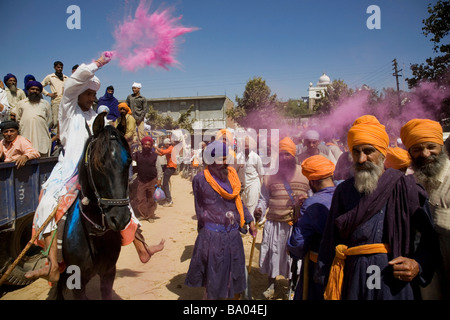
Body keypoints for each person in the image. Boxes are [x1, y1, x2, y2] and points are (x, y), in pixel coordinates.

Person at [24, 54, 163, 283]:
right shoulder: (68, 111)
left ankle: (141, 247)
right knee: (49, 202)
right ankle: (51, 262)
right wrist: (96, 64)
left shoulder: (97, 117)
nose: (91, 98)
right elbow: (69, 87)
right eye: (87, 94)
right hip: (69, 171)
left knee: (120, 201)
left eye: (93, 94)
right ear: (78, 94)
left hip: (95, 172)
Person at [316, 115, 441, 300]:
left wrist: (417, 265)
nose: (361, 159)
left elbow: (429, 240)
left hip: (394, 280)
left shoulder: (406, 187)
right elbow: (330, 239)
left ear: (382, 153)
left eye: (368, 151)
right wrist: (325, 278)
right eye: (356, 152)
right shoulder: (343, 191)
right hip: (354, 276)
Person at [185, 140, 257, 299]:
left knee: (234, 281)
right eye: (221, 159)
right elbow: (200, 209)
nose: (226, 163)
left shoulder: (232, 176)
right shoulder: (200, 180)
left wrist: (249, 219)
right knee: (214, 282)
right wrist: (205, 235)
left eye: (226, 158)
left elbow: (238, 201)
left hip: (232, 237)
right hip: (212, 238)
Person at [400, 118, 450, 300]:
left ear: (442, 147)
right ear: (410, 153)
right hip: (427, 279)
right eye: (417, 149)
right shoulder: (410, 184)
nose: (425, 153)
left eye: (431, 147)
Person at [254, 137, 309, 299]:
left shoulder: (305, 174)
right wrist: (259, 209)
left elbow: (311, 199)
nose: (285, 157)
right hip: (273, 223)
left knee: (294, 260)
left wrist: (304, 204)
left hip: (294, 225)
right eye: (282, 154)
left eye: (288, 154)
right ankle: (271, 285)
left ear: (294, 155)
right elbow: (264, 199)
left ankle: (292, 287)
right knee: (272, 254)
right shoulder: (269, 175)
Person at [287, 155, 336, 300]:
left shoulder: (312, 204)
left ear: (312, 182)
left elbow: (298, 244)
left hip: (319, 269)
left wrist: (298, 215)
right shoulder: (345, 193)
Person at [15, 81, 52, 157]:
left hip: (41, 136)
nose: (35, 91)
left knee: (42, 159)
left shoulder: (45, 103)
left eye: (37, 89)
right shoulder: (21, 103)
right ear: (28, 90)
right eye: (32, 89)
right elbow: (18, 119)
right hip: (26, 134)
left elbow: (49, 120)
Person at [133, 136, 161, 222]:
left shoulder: (155, 155)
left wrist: (159, 179)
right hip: (141, 180)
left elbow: (159, 168)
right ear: (142, 145)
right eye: (145, 144)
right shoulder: (137, 154)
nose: (147, 146)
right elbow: (133, 166)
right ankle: (142, 215)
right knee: (140, 198)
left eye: (149, 144)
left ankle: (150, 216)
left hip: (152, 180)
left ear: (151, 145)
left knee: (151, 199)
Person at [238, 135, 264, 219]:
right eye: (244, 145)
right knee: (245, 204)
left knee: (251, 205)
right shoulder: (239, 157)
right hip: (243, 185)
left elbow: (261, 173)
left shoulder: (256, 158)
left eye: (247, 145)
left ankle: (251, 226)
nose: (245, 147)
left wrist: (260, 187)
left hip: (253, 184)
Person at [41, 61, 69, 129]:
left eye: (61, 67)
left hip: (65, 101)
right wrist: (48, 94)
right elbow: (40, 86)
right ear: (55, 68)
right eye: (58, 67)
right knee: (56, 121)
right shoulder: (50, 77)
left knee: (66, 119)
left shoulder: (66, 78)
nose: (60, 69)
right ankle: (56, 137)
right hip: (56, 101)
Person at [155, 136, 180, 207]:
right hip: (170, 167)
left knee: (165, 184)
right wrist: (156, 152)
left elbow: (162, 152)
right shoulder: (170, 148)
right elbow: (161, 154)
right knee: (165, 183)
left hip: (171, 167)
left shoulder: (170, 148)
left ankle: (169, 200)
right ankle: (166, 197)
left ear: (166, 144)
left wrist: (155, 147)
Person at [126, 82, 147, 150]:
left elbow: (144, 109)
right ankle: (134, 150)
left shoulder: (143, 98)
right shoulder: (129, 97)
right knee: (133, 135)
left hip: (140, 118)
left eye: (135, 88)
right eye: (132, 88)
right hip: (132, 118)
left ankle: (141, 150)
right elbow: (127, 106)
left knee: (141, 135)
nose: (133, 89)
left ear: (139, 88)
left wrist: (140, 118)